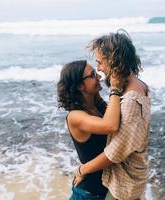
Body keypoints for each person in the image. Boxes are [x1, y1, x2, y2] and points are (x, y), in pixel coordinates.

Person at [74, 30, 151, 200]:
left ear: (114, 61)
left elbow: (114, 154)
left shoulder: (131, 100)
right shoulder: (140, 85)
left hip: (124, 187)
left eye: (100, 63)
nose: (99, 69)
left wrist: (82, 170)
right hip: (133, 177)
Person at [57, 60, 123, 200]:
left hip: (105, 190)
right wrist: (115, 89)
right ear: (80, 86)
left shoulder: (97, 106)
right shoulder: (75, 116)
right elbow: (111, 125)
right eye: (93, 74)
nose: (99, 77)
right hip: (88, 194)